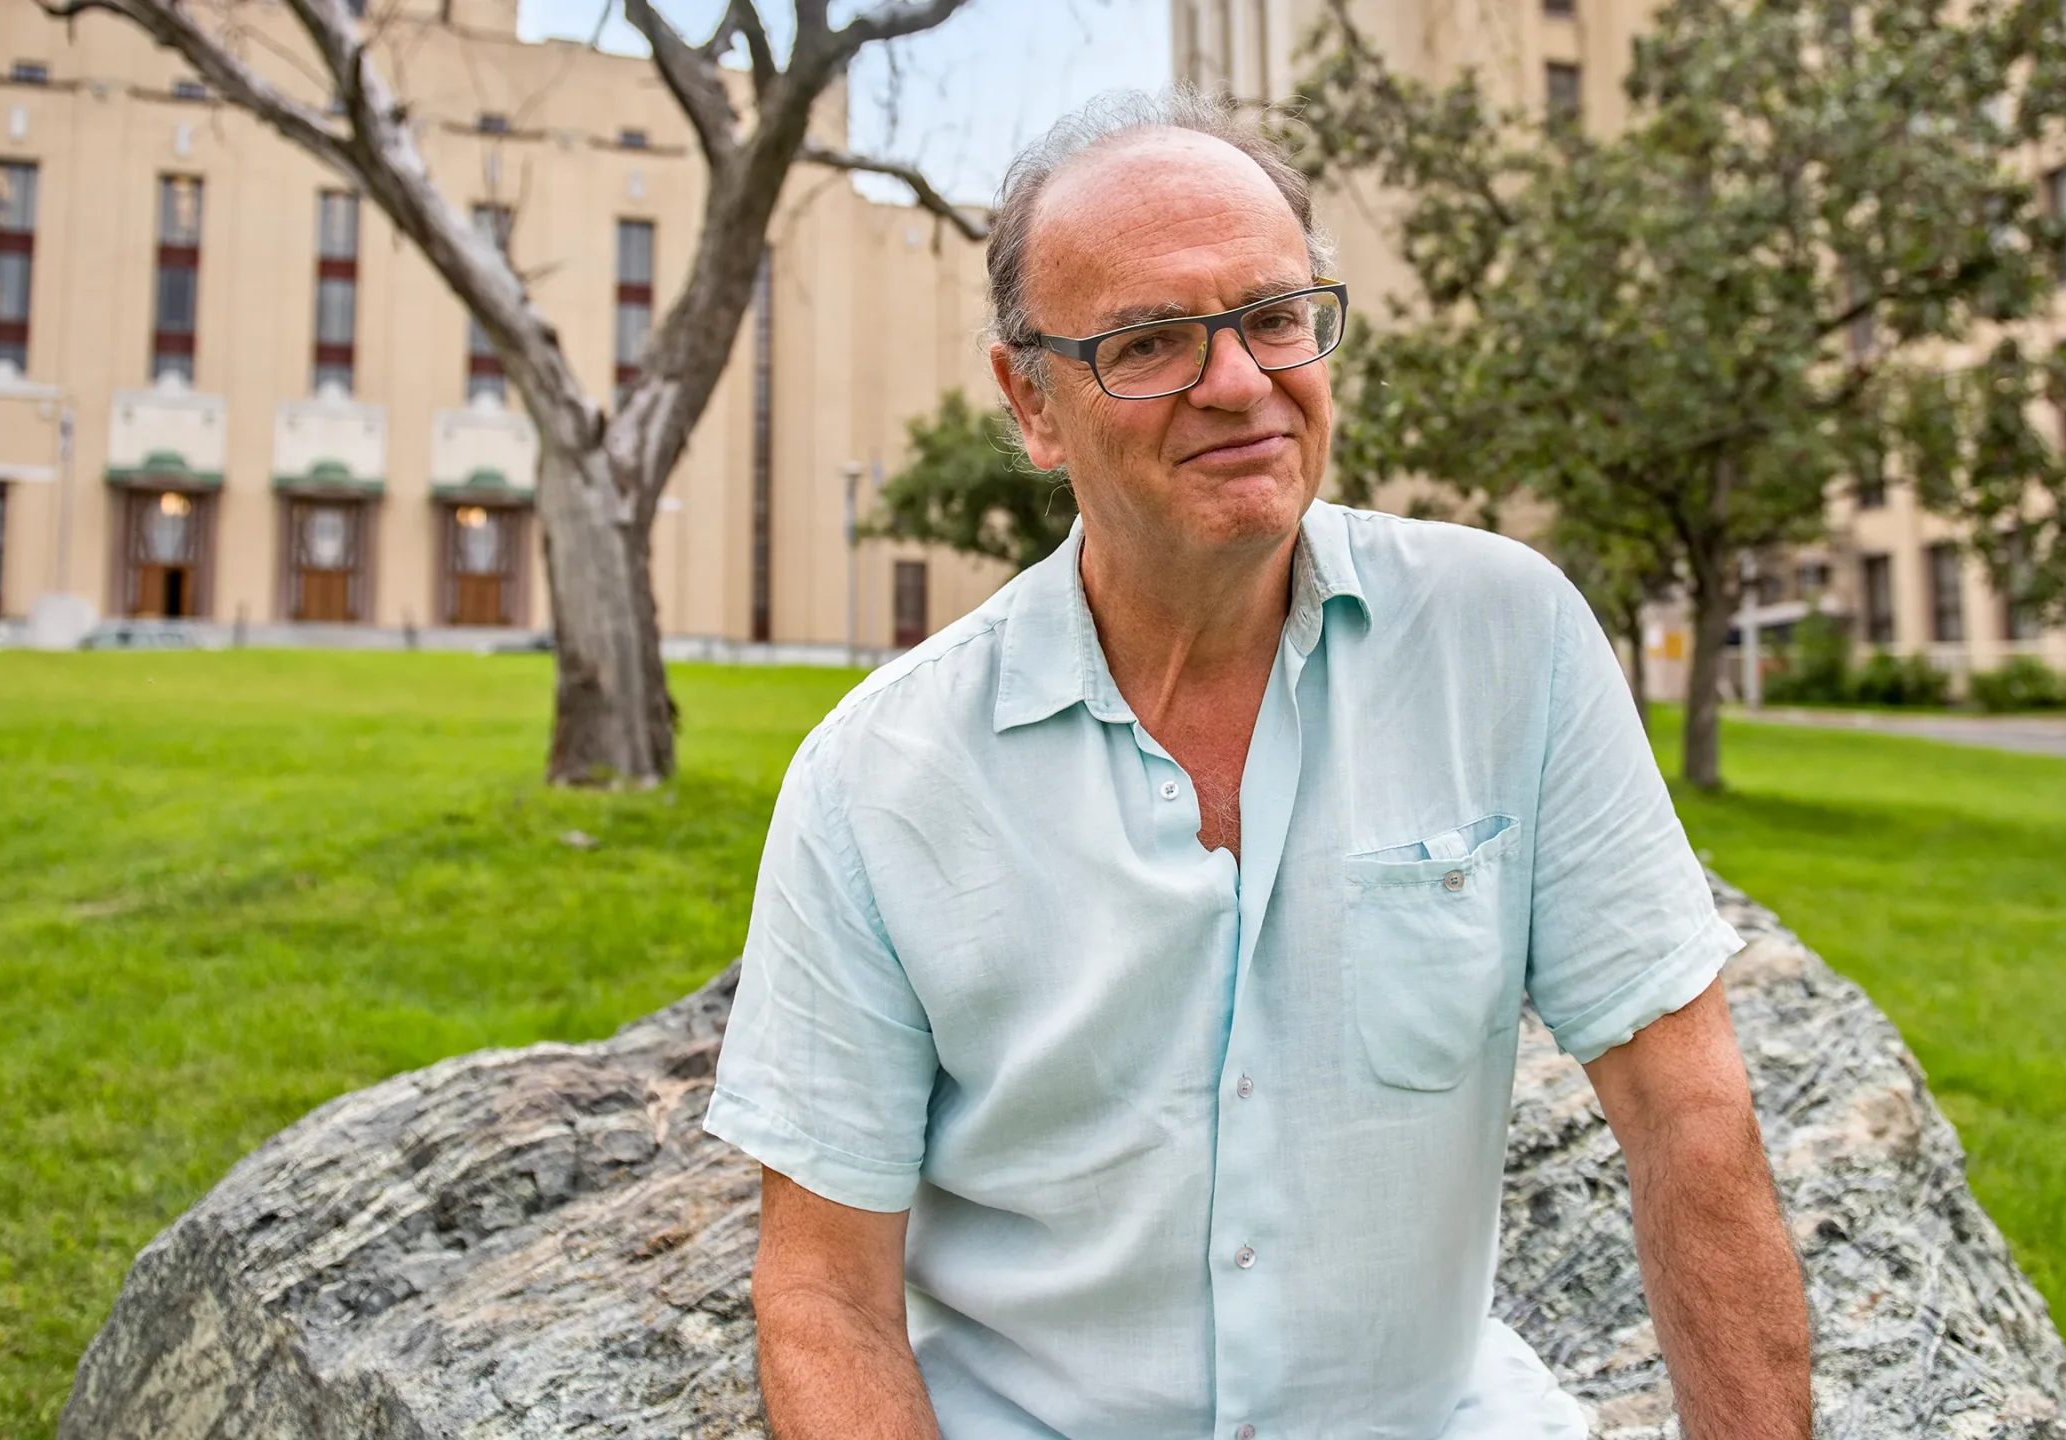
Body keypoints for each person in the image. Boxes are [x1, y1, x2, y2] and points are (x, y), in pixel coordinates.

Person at [704, 89, 1811, 1439]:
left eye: (1274, 317)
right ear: (1031, 400)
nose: (1239, 384)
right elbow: (825, 1293)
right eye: (1151, 341)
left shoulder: (1506, 641)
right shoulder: (876, 782)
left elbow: (1686, 1110)